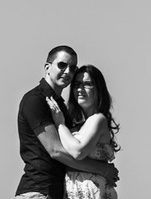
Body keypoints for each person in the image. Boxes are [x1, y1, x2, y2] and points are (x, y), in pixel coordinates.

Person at [15, 47, 119, 199]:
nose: (67, 71)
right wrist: (103, 170)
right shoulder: (35, 100)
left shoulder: (61, 108)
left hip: (59, 192)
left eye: (72, 68)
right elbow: (55, 150)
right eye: (62, 65)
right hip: (38, 191)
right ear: (47, 67)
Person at [45, 65, 120, 199]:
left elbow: (78, 152)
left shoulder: (98, 119)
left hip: (93, 192)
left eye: (87, 84)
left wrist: (60, 124)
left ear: (99, 89)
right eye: (77, 85)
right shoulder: (77, 125)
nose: (80, 89)